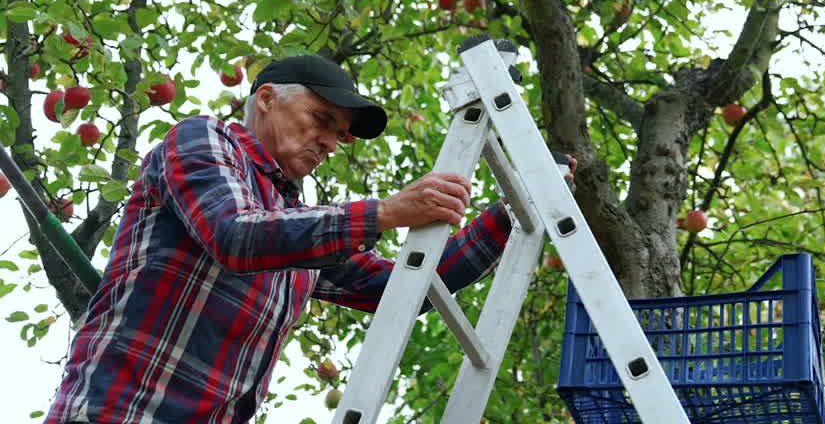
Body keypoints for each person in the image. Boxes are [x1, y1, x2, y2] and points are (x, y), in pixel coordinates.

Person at [45, 54, 547, 424]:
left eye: (340, 134)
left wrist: (512, 212)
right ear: (265, 99)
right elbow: (235, 236)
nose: (330, 141)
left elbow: (407, 287)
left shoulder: (300, 232)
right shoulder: (203, 140)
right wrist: (385, 213)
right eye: (321, 120)